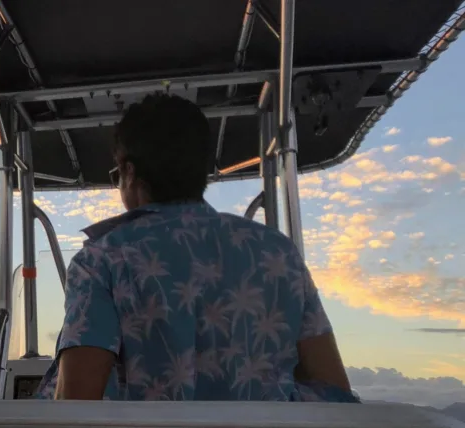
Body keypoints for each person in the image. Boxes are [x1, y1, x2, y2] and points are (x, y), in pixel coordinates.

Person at [36, 92, 357, 403]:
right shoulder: (280, 254)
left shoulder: (100, 260)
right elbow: (334, 393)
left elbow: (76, 404)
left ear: (129, 172)